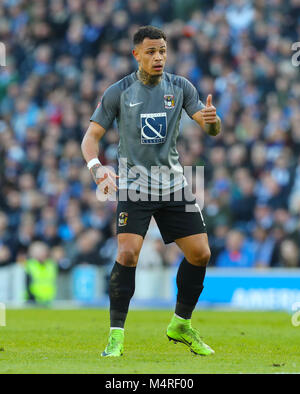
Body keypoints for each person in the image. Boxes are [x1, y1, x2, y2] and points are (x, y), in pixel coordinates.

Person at [81, 26, 221, 357]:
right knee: (128, 253)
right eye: (151, 52)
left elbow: (210, 128)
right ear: (137, 55)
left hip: (174, 184)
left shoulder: (181, 87)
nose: (158, 57)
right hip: (134, 186)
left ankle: (180, 324)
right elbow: (90, 138)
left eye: (162, 51)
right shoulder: (119, 92)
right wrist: (97, 169)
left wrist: (214, 121)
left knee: (201, 253)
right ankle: (116, 335)